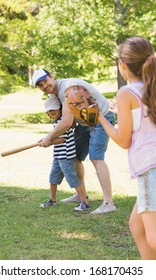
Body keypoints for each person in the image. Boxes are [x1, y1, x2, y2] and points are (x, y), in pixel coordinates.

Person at [97, 37, 156, 259]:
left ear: (122, 64)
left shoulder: (127, 93)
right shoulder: (150, 88)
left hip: (151, 168)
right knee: (137, 226)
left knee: (153, 237)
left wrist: (102, 119)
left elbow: (124, 140)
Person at [32, 68, 116, 214]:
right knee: (75, 156)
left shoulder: (68, 88)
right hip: (85, 123)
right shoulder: (57, 95)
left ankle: (109, 203)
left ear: (52, 76)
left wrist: (49, 137)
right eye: (41, 85)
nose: (45, 86)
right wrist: (51, 138)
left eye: (46, 81)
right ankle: (81, 195)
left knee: (96, 157)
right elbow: (70, 123)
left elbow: (66, 122)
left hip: (101, 118)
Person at [39, 95, 90, 212]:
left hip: (66, 157)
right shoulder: (57, 123)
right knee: (53, 178)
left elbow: (61, 140)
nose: (50, 112)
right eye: (48, 110)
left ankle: (84, 202)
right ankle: (52, 200)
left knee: (72, 179)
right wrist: (46, 139)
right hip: (58, 156)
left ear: (61, 109)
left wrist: (48, 142)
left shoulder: (62, 123)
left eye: (53, 109)